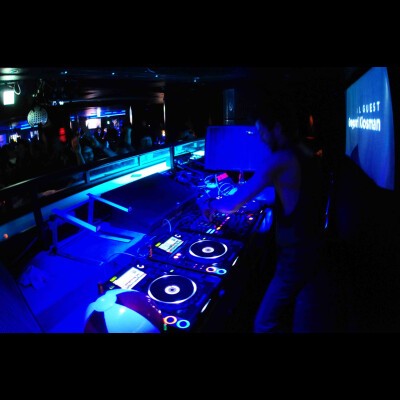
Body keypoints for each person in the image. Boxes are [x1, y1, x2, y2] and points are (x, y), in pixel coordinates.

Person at [197, 98, 327, 333]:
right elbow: (290, 193)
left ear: (276, 128)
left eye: (262, 131)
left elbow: (231, 205)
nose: (260, 138)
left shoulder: (280, 159)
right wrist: (257, 202)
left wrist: (208, 203)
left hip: (296, 256)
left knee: (264, 323)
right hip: (313, 248)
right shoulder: (305, 151)